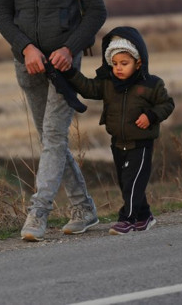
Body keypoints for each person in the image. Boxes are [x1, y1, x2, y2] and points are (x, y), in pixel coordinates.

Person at [0, 0, 107, 241]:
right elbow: (1, 15)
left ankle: (37, 215)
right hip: (27, 65)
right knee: (50, 141)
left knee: (54, 137)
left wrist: (68, 48)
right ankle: (84, 209)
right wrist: (26, 48)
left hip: (63, 67)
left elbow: (96, 12)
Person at [64, 26, 175, 235]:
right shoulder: (108, 84)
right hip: (117, 143)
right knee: (126, 183)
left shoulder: (151, 84)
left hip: (141, 144)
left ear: (138, 62)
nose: (119, 68)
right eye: (114, 64)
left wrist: (151, 116)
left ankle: (128, 219)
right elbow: (87, 88)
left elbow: (167, 104)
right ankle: (144, 216)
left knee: (133, 183)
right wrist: (69, 72)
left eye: (124, 64)